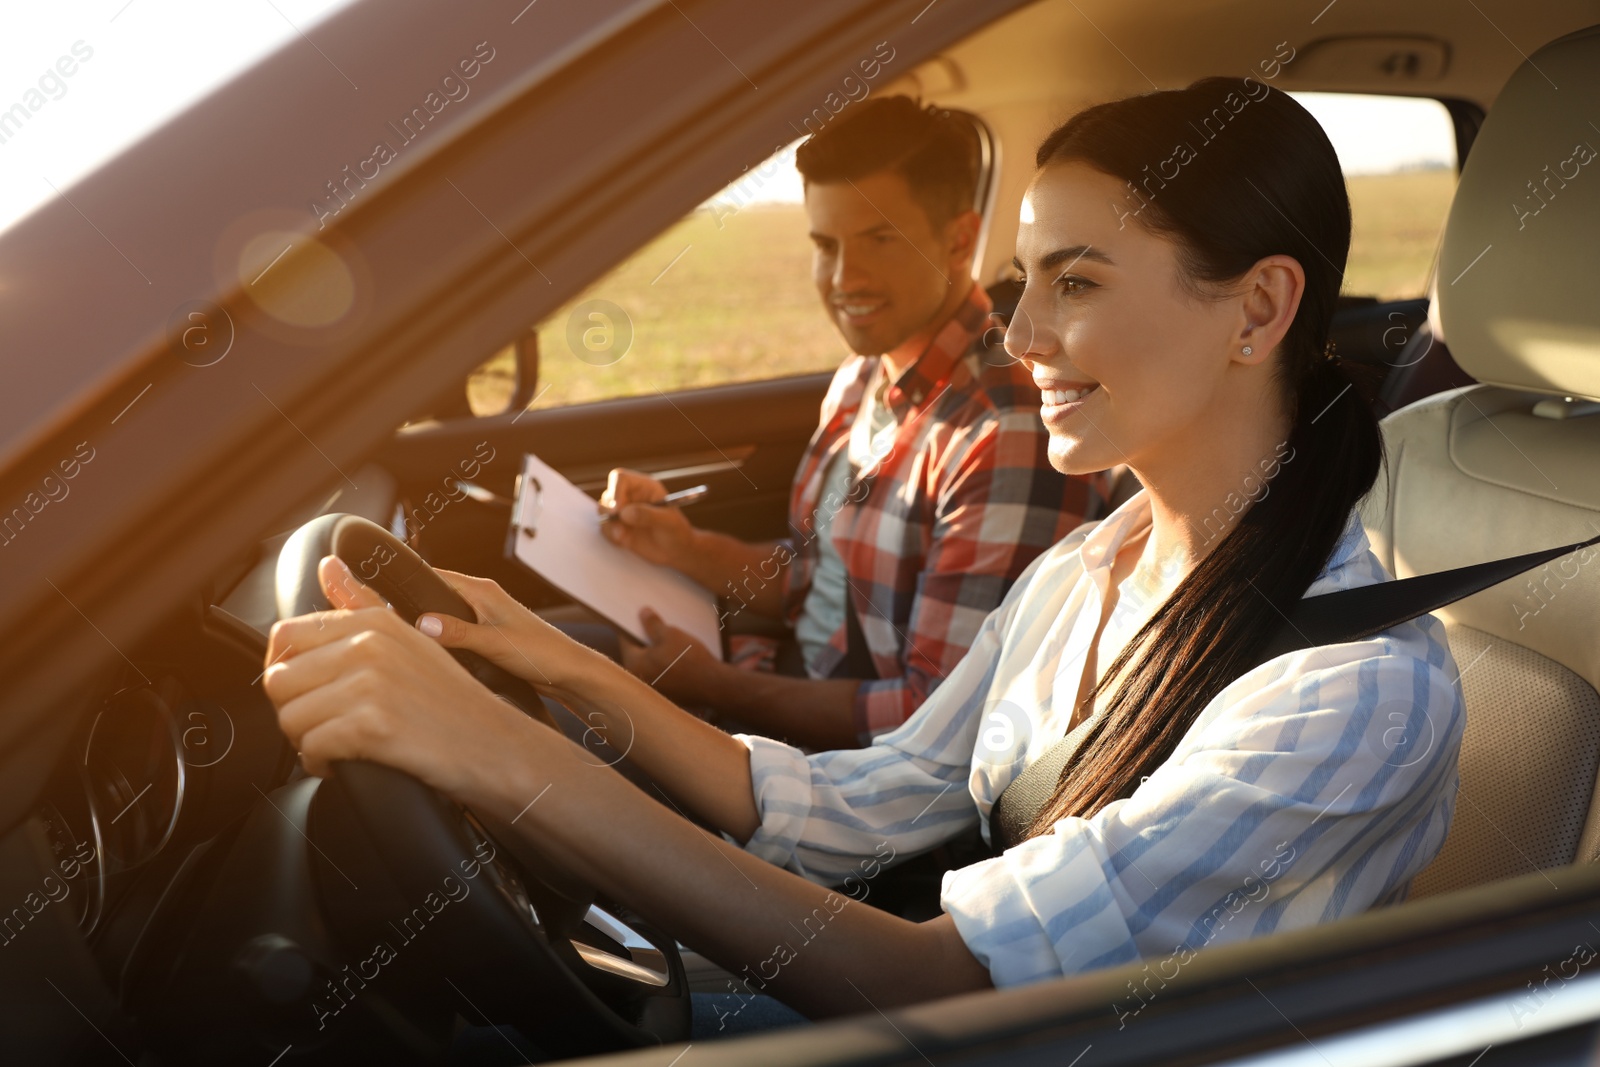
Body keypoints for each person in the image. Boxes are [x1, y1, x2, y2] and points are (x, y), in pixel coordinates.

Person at [263, 79, 1464, 1038]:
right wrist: (569, 675)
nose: (1022, 331)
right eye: (1024, 282)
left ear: (1256, 311)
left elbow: (938, 986)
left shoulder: (1355, 690)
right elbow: (867, 802)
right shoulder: (1087, 572)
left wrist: (501, 756)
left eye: (1076, 283)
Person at [594, 95, 1100, 750]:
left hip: (846, 779)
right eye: (825, 244)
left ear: (959, 241)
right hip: (773, 687)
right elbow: (817, 582)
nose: (843, 277)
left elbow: (939, 719)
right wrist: (682, 548)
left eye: (878, 239)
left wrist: (713, 688)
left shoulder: (1002, 431)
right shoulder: (866, 375)